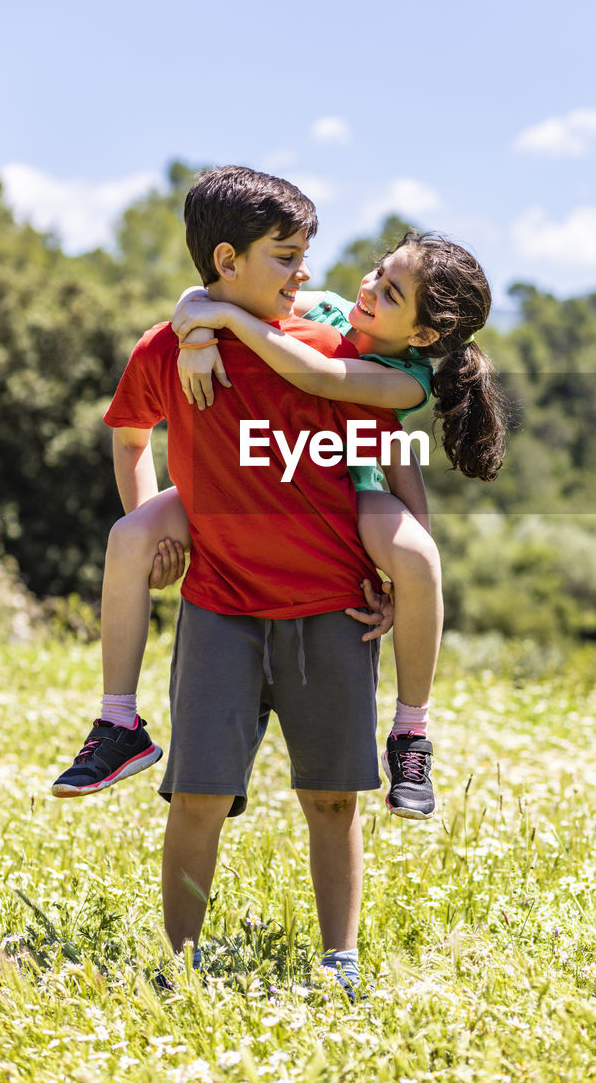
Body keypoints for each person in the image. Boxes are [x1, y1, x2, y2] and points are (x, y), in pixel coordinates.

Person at [55, 166, 399, 994]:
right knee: (199, 796)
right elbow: (132, 436)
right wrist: (160, 530)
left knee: (331, 797)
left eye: (304, 254)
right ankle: (180, 966)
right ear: (226, 259)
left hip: (334, 611)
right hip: (219, 611)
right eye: (285, 256)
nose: (302, 274)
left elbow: (376, 461)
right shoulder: (167, 350)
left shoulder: (326, 350)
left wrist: (390, 565)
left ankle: (339, 962)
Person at [170, 228, 506, 818]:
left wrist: (225, 318)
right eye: (380, 271)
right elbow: (200, 295)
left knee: (421, 560)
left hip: (351, 489)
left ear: (424, 336)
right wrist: (198, 335)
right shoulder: (323, 306)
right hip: (266, 483)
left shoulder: (408, 380)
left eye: (393, 293)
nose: (371, 287)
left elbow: (318, 377)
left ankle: (410, 733)